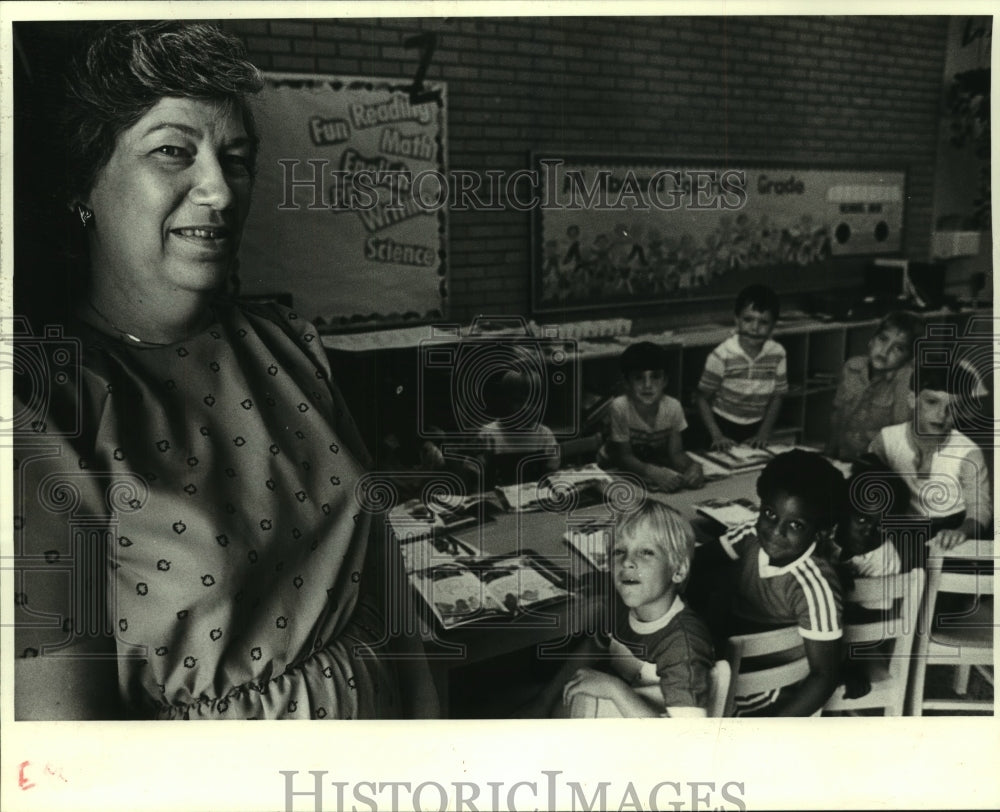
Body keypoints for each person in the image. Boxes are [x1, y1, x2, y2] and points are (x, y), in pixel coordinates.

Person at [13, 22, 437, 720]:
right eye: (174, 152)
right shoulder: (45, 410)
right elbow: (65, 744)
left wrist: (432, 749)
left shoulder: (289, 346)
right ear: (83, 183)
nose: (218, 189)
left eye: (236, 159)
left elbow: (387, 598)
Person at [539, 502, 714, 717]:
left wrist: (614, 690)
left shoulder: (682, 645)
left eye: (646, 552)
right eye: (619, 551)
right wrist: (543, 703)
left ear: (678, 570)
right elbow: (593, 646)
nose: (627, 562)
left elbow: (688, 738)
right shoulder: (621, 604)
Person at [717, 450, 846, 716]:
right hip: (722, 662)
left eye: (796, 525)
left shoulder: (815, 587)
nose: (776, 531)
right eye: (769, 513)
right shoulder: (748, 536)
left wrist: (776, 729)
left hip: (770, 688)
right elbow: (700, 562)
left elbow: (825, 676)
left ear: (820, 532)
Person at [867, 363, 992, 567]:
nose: (942, 415)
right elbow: (868, 488)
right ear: (912, 400)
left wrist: (961, 532)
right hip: (901, 529)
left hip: (951, 526)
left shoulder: (968, 453)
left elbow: (980, 509)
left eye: (953, 407)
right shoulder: (887, 440)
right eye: (932, 402)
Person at [597, 341, 704, 493]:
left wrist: (693, 466)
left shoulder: (673, 407)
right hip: (613, 469)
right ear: (627, 383)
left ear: (665, 380)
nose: (648, 385)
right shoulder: (620, 407)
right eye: (639, 378)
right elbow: (623, 457)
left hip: (650, 467)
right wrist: (653, 472)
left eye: (655, 377)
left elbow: (676, 453)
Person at [695, 284, 788, 451]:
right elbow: (702, 398)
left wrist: (763, 433)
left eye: (764, 322)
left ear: (774, 325)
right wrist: (716, 435)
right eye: (748, 320)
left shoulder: (777, 354)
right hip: (721, 425)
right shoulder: (722, 355)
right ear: (736, 320)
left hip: (756, 427)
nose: (754, 328)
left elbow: (778, 396)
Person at [826, 311, 919, 461]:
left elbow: (899, 438)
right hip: (843, 458)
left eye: (898, 348)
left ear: (909, 358)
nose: (885, 351)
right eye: (883, 339)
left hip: (876, 468)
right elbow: (837, 417)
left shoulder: (906, 380)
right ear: (871, 341)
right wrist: (828, 456)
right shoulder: (852, 367)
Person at [473, 368, 561, 487]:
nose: (526, 408)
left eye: (534, 402)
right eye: (518, 401)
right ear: (504, 401)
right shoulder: (489, 435)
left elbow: (552, 472)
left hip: (536, 496)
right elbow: (477, 475)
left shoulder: (544, 435)